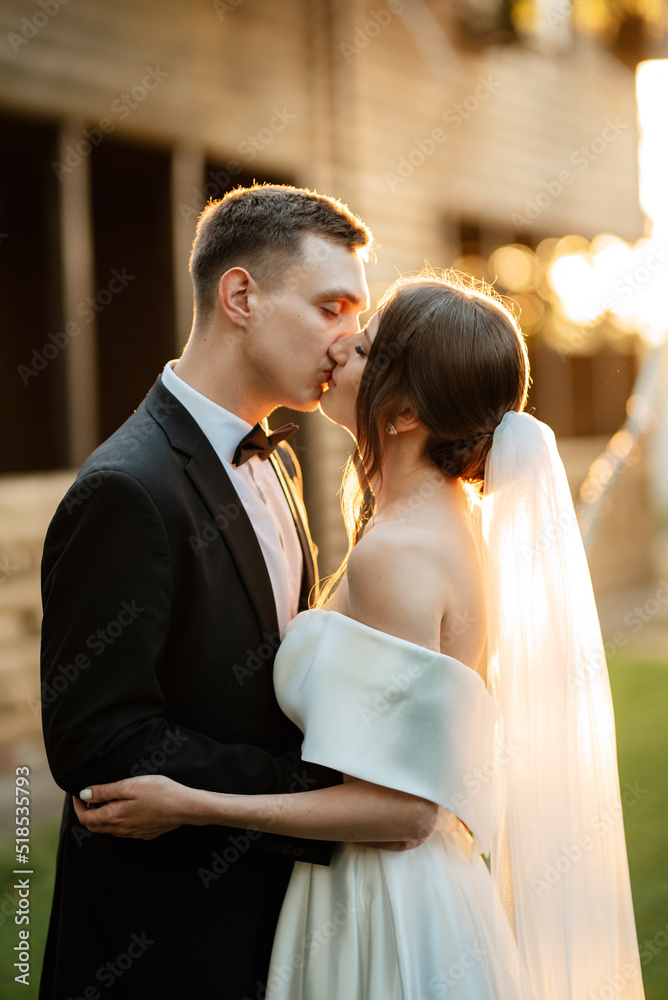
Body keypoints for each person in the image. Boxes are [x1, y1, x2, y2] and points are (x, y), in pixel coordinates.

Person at [74, 273, 646, 1000]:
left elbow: (402, 811)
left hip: (383, 909)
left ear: (404, 412)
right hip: (407, 889)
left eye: (366, 345)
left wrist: (191, 802)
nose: (341, 347)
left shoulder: (398, 553)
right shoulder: (443, 526)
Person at [38, 184, 376, 999]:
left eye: (356, 318)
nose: (349, 342)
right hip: (163, 939)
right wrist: (315, 795)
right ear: (240, 297)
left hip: (271, 916)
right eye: (332, 307)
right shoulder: (127, 489)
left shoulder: (281, 460)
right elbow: (100, 743)